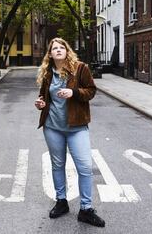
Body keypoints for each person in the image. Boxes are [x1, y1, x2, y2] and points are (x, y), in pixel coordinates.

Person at [35, 37, 105, 228]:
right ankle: (61, 201)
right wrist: (40, 103)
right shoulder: (48, 73)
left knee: (84, 167)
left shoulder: (80, 68)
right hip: (52, 127)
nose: (58, 50)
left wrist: (73, 93)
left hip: (76, 127)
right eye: (54, 48)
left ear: (67, 51)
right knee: (57, 165)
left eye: (61, 47)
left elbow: (91, 90)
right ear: (50, 54)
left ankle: (86, 209)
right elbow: (43, 96)